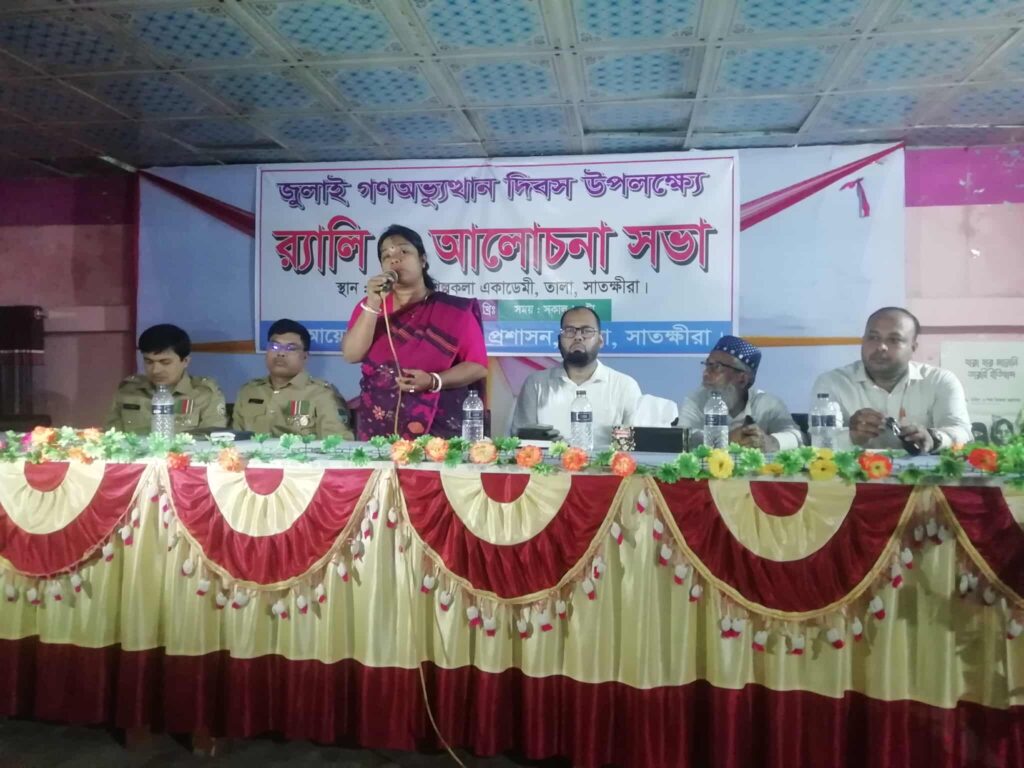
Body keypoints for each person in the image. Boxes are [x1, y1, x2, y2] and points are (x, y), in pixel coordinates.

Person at [341, 224, 488, 439]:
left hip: (437, 429)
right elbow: (351, 355)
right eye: (386, 255)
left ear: (423, 260)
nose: (394, 259)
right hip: (378, 425)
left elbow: (477, 367)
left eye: (404, 251)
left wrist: (433, 380)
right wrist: (373, 303)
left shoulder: (453, 311)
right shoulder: (370, 307)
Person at [810, 307, 971, 452]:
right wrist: (852, 437)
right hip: (855, 475)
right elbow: (818, 442)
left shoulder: (939, 381)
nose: (881, 346)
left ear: (913, 347)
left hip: (924, 474)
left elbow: (962, 432)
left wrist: (934, 438)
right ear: (863, 341)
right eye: (873, 337)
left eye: (894, 340)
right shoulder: (833, 383)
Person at [510, 306, 641, 447]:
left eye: (587, 331)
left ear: (600, 340)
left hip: (604, 462)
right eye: (569, 331)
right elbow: (521, 443)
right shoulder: (536, 384)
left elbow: (630, 447)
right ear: (559, 340)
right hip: (550, 461)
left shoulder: (624, 386)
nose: (578, 337)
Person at [677, 335, 802, 451]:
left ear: (742, 379)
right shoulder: (696, 400)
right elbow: (682, 437)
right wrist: (727, 439)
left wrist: (771, 442)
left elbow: (797, 436)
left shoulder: (767, 404)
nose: (705, 373)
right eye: (707, 365)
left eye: (716, 367)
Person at [234, 319, 352, 438]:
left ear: (305, 356)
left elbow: (337, 443)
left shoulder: (322, 394)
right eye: (274, 346)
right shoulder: (249, 391)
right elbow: (234, 440)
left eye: (291, 348)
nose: (281, 353)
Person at [105, 324, 226, 435]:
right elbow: (111, 438)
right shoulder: (128, 391)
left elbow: (213, 441)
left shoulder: (204, 394)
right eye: (149, 362)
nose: (155, 370)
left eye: (165, 362)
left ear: (185, 361)